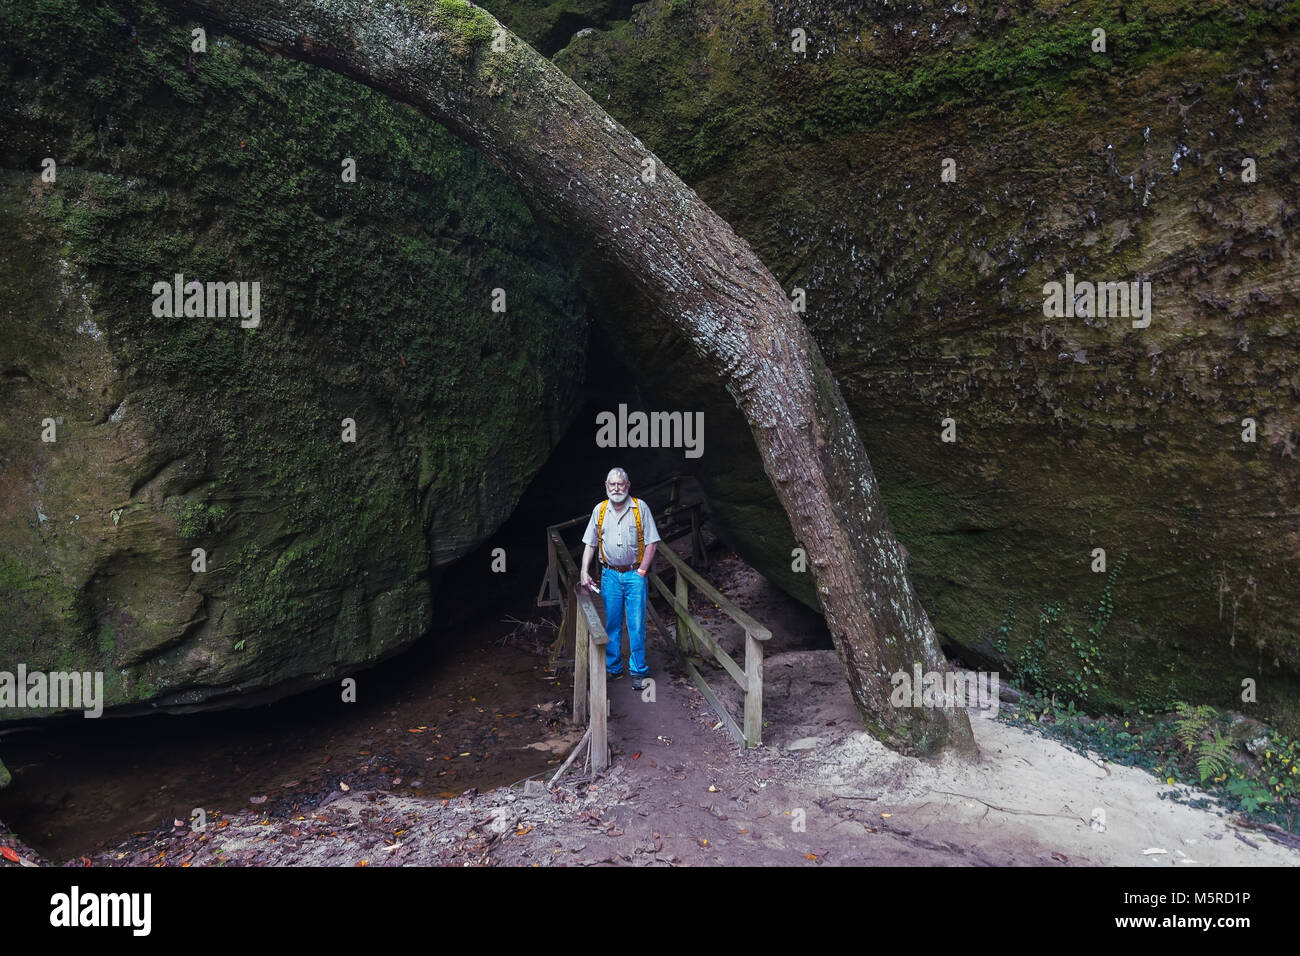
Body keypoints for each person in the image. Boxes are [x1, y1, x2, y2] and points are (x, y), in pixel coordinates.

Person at [579, 468, 660, 690]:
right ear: (606, 485)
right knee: (613, 623)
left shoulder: (640, 507)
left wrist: (642, 571)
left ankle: (638, 671)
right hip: (610, 575)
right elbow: (591, 543)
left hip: (635, 575)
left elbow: (652, 542)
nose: (616, 488)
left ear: (628, 485)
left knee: (636, 624)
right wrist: (584, 571)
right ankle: (613, 668)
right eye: (612, 484)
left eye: (620, 484)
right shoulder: (600, 510)